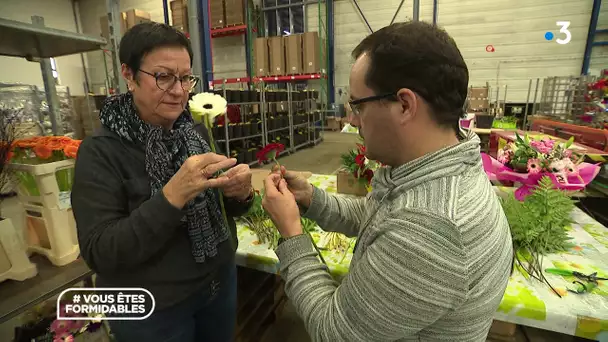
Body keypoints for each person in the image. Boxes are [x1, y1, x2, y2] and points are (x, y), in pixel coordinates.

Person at [262, 21, 513, 341]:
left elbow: (333, 332)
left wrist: (291, 233)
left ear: (405, 105)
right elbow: (377, 215)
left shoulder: (429, 228)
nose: (352, 121)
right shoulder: (443, 170)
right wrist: (311, 198)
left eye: (357, 106)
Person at [71, 22, 253, 342]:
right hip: (155, 311)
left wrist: (240, 195)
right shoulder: (100, 152)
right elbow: (100, 251)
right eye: (164, 76)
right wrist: (171, 196)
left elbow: (223, 210)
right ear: (129, 75)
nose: (180, 90)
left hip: (218, 285)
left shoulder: (194, 134)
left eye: (185, 78)